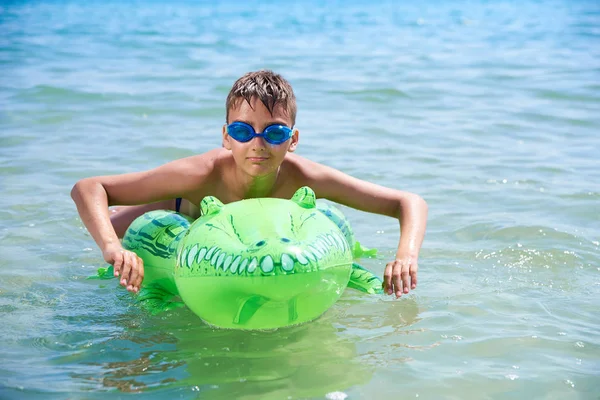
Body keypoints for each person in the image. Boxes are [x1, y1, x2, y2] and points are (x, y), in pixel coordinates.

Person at [71, 70, 428, 298]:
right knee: (118, 226)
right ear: (226, 137)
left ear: (294, 139)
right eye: (243, 131)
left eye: (274, 132)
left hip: (242, 224)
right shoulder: (201, 173)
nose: (257, 144)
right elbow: (89, 188)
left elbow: (408, 202)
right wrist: (112, 249)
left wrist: (405, 257)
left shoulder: (303, 178)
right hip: (189, 205)